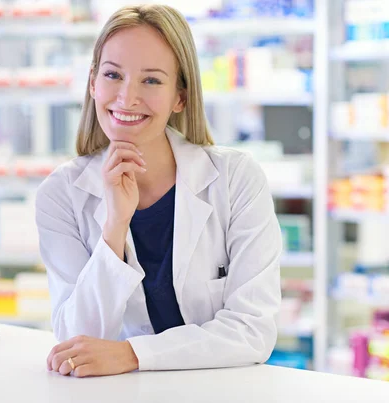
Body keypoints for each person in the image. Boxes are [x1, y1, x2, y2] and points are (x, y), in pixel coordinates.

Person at [36, 4, 282, 378]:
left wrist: (132, 354)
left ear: (179, 97)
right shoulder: (61, 194)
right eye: (113, 75)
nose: (126, 97)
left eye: (151, 81)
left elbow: (252, 331)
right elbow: (76, 343)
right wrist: (115, 225)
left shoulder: (236, 180)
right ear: (92, 83)